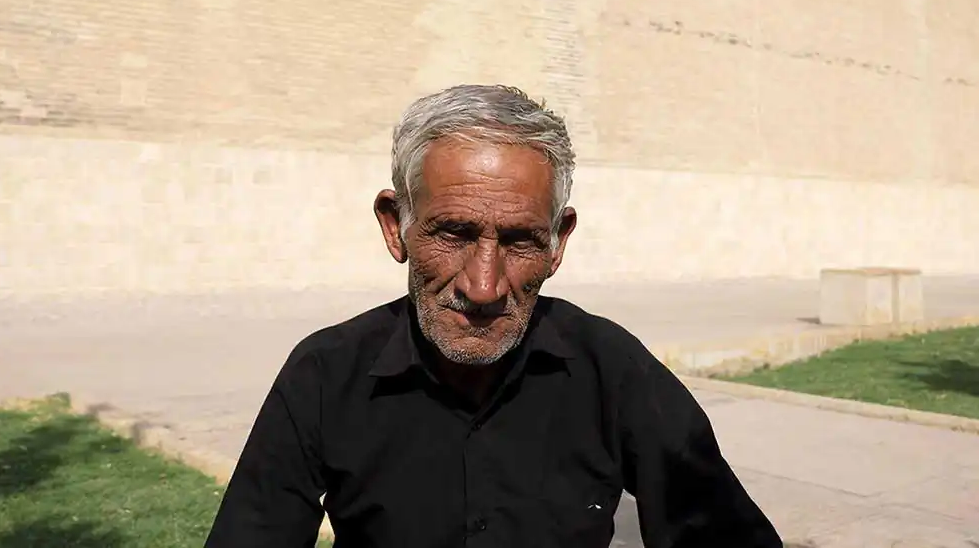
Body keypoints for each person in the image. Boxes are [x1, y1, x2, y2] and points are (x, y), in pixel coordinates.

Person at [204, 84, 782, 548]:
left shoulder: (611, 370)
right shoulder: (326, 375)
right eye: (453, 233)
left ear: (558, 243)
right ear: (395, 226)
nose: (483, 287)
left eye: (520, 241)